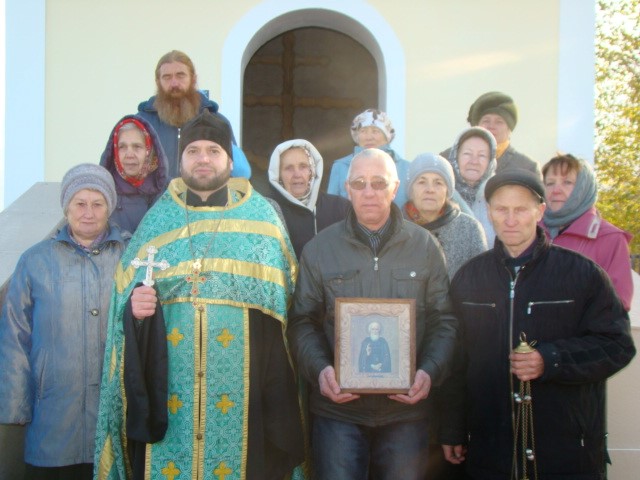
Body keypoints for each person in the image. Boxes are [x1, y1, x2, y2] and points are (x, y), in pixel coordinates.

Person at [94, 111, 304, 479]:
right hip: (169, 392)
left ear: (229, 160)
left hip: (246, 396)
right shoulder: (157, 222)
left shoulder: (263, 221)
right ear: (181, 161)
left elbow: (285, 316)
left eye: (213, 151)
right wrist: (135, 312)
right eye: (193, 151)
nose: (203, 159)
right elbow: (124, 311)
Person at [441, 169, 636, 479]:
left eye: (520, 209)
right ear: (489, 212)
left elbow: (618, 345)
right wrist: (452, 427)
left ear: (540, 211)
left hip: (565, 453)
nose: (510, 219)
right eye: (501, 209)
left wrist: (552, 359)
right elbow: (455, 362)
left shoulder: (583, 275)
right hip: (491, 450)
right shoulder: (468, 278)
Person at [288, 148, 457, 480]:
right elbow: (302, 321)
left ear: (395, 189)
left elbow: (445, 320)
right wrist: (321, 370)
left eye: (379, 183)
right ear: (347, 189)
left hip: (405, 412)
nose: (368, 192)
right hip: (338, 412)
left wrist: (429, 371)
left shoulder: (424, 247)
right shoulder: (320, 248)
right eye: (359, 183)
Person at [0, 164, 128, 480]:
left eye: (97, 204)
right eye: (80, 203)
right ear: (66, 207)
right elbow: (15, 336)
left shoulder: (129, 256)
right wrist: (15, 406)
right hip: (51, 417)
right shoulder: (35, 260)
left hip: (112, 418)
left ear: (110, 207)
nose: (88, 213)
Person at [137, 50, 251, 179]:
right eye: (167, 77)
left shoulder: (217, 122)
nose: (174, 83)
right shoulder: (141, 123)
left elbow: (236, 172)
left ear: (193, 79)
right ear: (158, 82)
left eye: (180, 75)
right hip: (154, 193)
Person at [541, 153, 633, 311]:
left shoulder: (610, 238)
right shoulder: (531, 232)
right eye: (550, 183)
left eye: (567, 182)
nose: (556, 190)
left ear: (584, 188)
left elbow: (618, 305)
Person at [403, 152, 487, 279]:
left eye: (438, 183)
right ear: (411, 190)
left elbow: (482, 280)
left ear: (448, 191)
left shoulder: (470, 229)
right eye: (422, 182)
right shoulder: (394, 228)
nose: (430, 189)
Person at [267, 138, 350, 258]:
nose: (297, 174)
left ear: (312, 170)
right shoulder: (268, 210)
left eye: (303, 166)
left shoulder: (339, 207)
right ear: (278, 174)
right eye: (289, 168)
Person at [442, 91, 541, 177]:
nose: (491, 126)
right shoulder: (447, 160)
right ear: (476, 126)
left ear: (509, 129)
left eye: (499, 122)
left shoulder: (527, 167)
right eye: (486, 121)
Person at [100, 115, 170, 233]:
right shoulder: (103, 192)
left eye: (137, 146)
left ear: (150, 150)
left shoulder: (170, 191)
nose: (129, 154)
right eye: (122, 147)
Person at [327, 109, 411, 207]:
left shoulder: (407, 168)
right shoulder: (340, 166)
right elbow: (330, 206)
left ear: (387, 136)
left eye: (375, 131)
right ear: (356, 136)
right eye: (363, 131)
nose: (369, 137)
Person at [447, 126, 498, 246]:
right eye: (467, 154)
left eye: (482, 155)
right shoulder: (443, 195)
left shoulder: (498, 196)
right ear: (455, 156)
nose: (474, 161)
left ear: (490, 161)